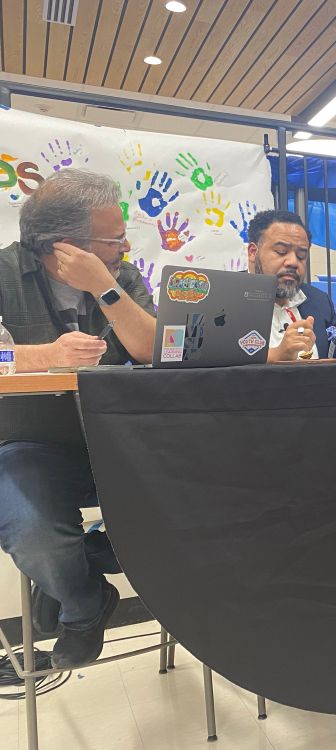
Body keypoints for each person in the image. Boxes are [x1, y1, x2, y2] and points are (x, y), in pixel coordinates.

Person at [0, 169, 156, 668]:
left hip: (116, 438)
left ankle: (88, 557)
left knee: (193, 498)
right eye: (113, 239)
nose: (126, 246)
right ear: (66, 245)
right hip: (29, 443)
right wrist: (47, 354)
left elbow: (154, 350)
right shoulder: (4, 272)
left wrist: (105, 287)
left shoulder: (121, 275)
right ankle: (85, 606)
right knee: (35, 536)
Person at [245, 209, 336, 362]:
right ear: (253, 252)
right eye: (281, 251)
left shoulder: (320, 301)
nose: (293, 262)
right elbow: (214, 366)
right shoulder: (226, 298)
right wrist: (276, 355)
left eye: (301, 255)